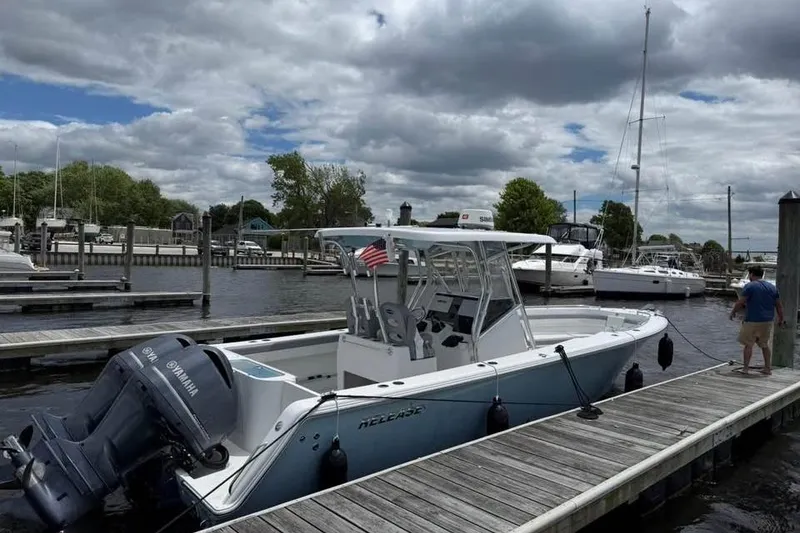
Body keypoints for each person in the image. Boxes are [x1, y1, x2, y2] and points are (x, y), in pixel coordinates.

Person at [729, 265, 784, 375]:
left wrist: (733, 312)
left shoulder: (750, 286)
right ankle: (767, 368)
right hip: (767, 321)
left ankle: (745, 369)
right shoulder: (772, 287)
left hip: (752, 320)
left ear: (751, 274)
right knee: (764, 345)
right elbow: (779, 306)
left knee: (748, 345)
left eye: (750, 274)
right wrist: (781, 319)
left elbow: (741, 302)